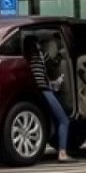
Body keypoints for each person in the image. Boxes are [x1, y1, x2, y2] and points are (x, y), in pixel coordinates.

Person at [24, 35, 73, 163]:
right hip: (45, 91)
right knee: (64, 120)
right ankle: (62, 152)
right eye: (39, 43)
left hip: (37, 93)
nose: (41, 45)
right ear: (35, 45)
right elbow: (50, 69)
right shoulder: (39, 57)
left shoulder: (27, 59)